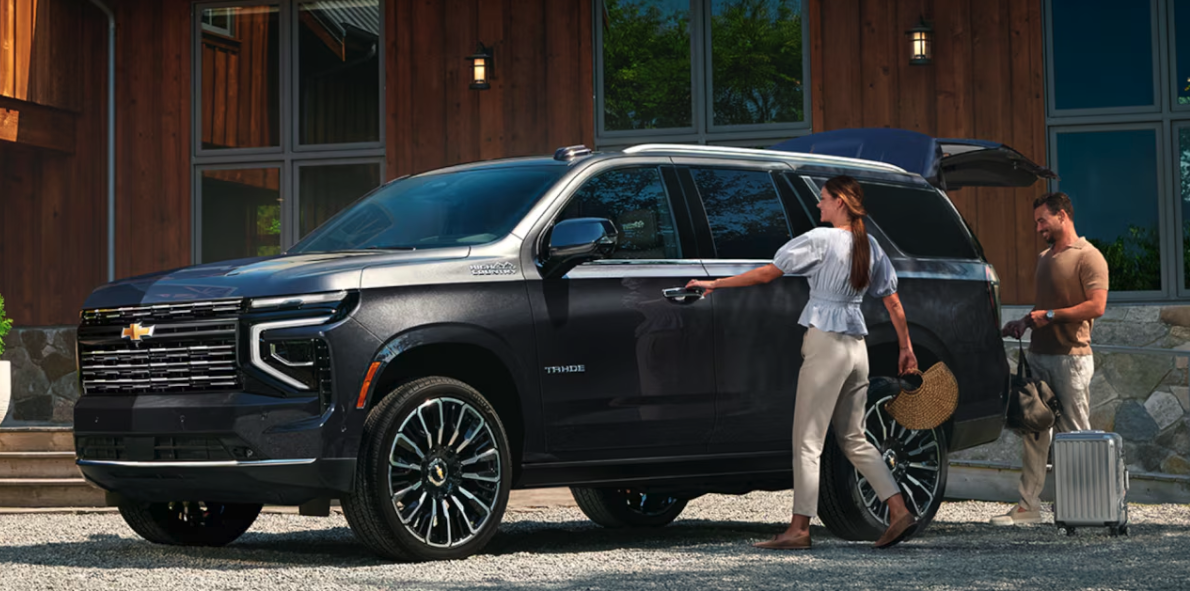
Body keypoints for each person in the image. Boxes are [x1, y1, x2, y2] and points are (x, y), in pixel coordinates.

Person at [686, 175, 919, 550]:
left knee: (808, 441)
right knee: (854, 437)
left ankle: (798, 529)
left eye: (824, 198)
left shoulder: (820, 239)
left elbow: (767, 274)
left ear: (841, 201)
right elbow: (892, 302)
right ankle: (897, 508)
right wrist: (906, 348)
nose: (818, 204)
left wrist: (715, 284)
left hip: (826, 344)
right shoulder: (870, 245)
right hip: (857, 347)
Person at [994, 191, 1108, 526]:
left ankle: (1087, 507)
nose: (1038, 227)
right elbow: (1044, 307)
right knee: (1034, 429)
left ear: (1062, 215)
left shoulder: (1089, 256)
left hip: (1071, 359)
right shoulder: (1045, 257)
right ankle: (1028, 506)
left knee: (1073, 434)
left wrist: (1052, 314)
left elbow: (1097, 306)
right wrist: (1025, 322)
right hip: (1039, 354)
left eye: (1042, 220)